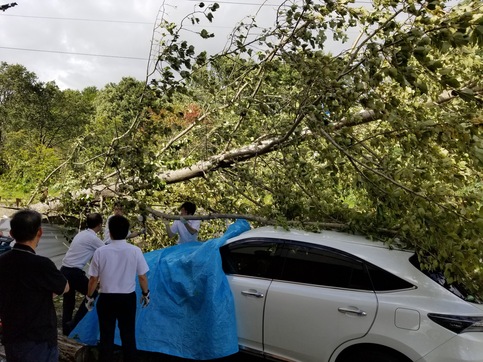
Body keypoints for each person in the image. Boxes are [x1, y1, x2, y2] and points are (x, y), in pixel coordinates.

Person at [0, 209, 69, 362]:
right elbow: (65, 287)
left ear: (11, 234)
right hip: (39, 338)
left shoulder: (2, 261)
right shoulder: (42, 264)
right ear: (40, 232)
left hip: (12, 336)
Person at [86, 214, 150, 362]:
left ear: (110, 231)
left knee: (106, 336)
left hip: (107, 299)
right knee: (128, 335)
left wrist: (89, 297)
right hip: (127, 299)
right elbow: (142, 276)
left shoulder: (101, 252)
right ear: (127, 231)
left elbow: (93, 279)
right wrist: (146, 293)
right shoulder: (135, 251)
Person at [60, 212, 104, 336]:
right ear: (99, 225)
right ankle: (74, 324)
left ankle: (66, 329)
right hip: (74, 272)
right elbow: (106, 250)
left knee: (68, 301)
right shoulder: (93, 238)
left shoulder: (82, 234)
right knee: (92, 294)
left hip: (64, 269)